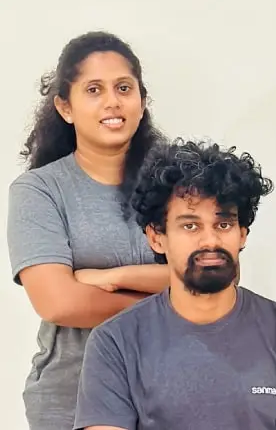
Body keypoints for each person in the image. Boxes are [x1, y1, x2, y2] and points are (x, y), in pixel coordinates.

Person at [73, 139, 276, 430]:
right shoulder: (115, 341)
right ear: (157, 238)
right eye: (190, 226)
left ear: (242, 235)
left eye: (223, 224)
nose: (210, 241)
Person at [6, 31, 169, 430]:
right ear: (65, 107)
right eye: (94, 90)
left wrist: (110, 278)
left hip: (172, 391)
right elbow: (59, 303)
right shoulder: (39, 190)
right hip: (73, 398)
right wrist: (173, 299)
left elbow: (220, 274)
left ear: (142, 101)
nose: (112, 101)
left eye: (124, 88)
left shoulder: (176, 182)